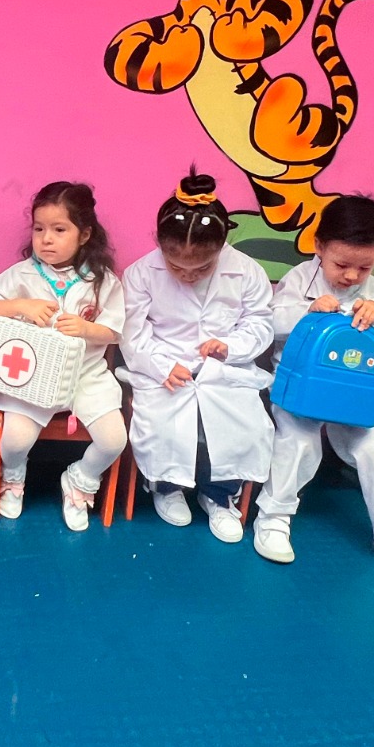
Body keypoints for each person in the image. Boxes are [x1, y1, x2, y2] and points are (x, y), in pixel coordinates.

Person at [254, 195, 374, 590]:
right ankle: (273, 518)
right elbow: (272, 322)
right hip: (300, 386)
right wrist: (306, 311)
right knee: (298, 441)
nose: (352, 276)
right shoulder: (299, 281)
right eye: (341, 265)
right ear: (319, 246)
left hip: (354, 390)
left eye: (364, 267)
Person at [120, 172, 274, 543]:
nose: (188, 276)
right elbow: (133, 333)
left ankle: (219, 495)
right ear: (159, 245)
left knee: (241, 427)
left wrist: (230, 347)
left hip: (225, 370)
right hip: (164, 367)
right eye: (176, 267)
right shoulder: (141, 273)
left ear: (222, 246)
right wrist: (162, 366)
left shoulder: (247, 271)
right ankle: (167, 487)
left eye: (203, 268)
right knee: (164, 425)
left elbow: (259, 323)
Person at [0, 181, 127, 530]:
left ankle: (79, 481)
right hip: (32, 377)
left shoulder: (103, 281)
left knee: (114, 440)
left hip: (86, 377)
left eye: (59, 230)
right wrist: (20, 305)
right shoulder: (21, 275)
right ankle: (13, 475)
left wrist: (87, 329)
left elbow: (114, 332)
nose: (46, 239)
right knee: (14, 441)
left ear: (84, 234)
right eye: (39, 229)